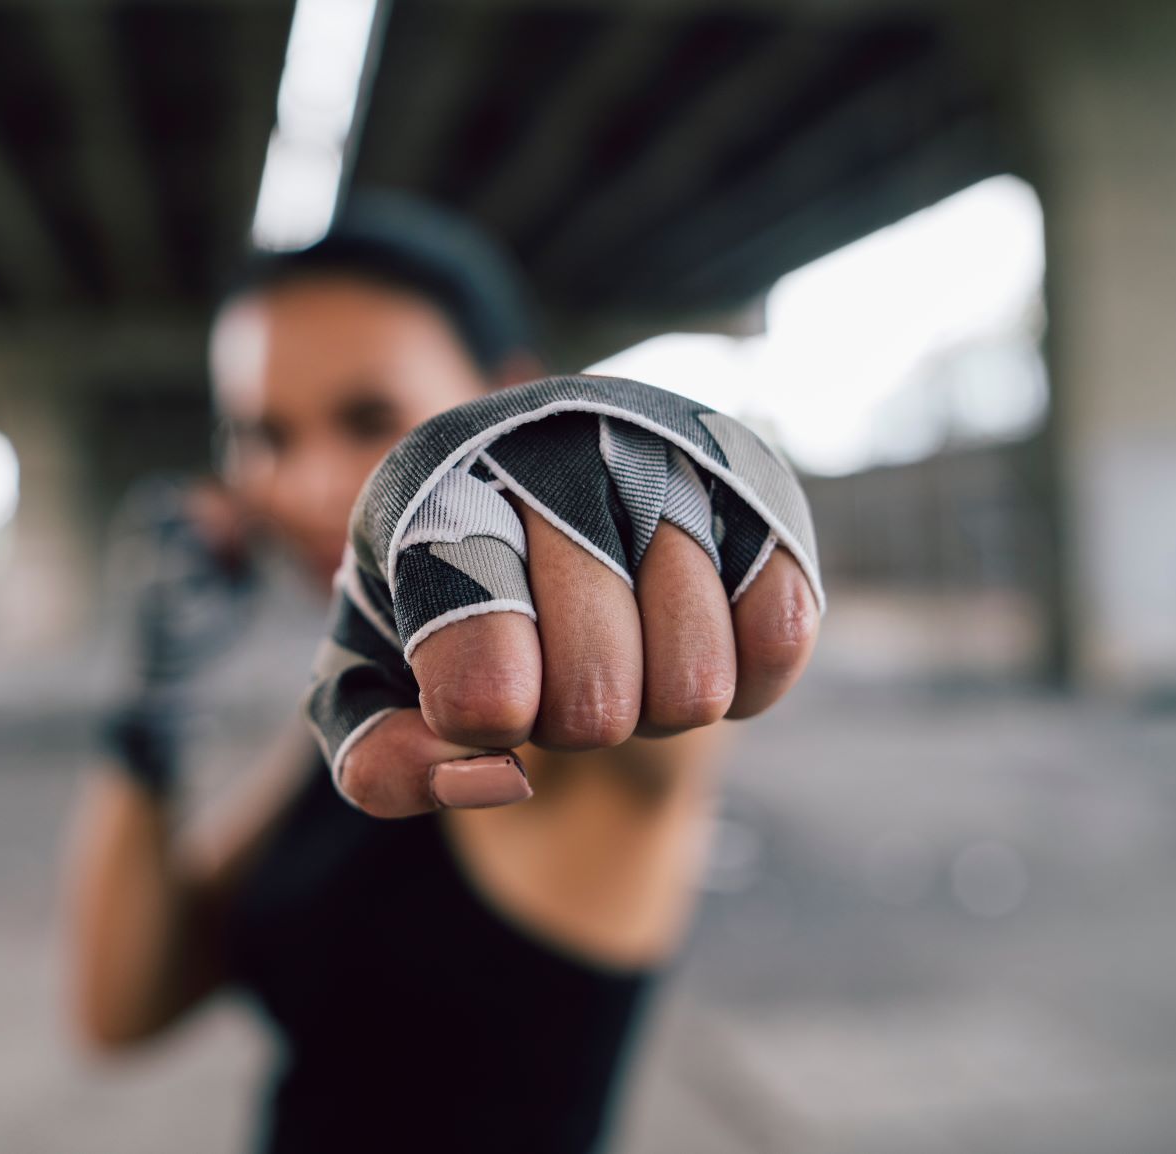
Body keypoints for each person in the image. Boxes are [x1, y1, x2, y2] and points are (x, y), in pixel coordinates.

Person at [62, 195, 820, 1153]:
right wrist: (148, 707)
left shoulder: (568, 719)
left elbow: (670, 709)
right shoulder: (359, 712)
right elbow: (122, 1009)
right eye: (263, 436)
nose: (301, 486)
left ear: (505, 397)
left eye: (368, 417)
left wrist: (639, 479)